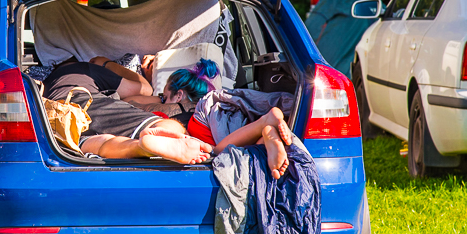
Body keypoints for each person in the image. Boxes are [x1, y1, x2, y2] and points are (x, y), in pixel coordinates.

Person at [43, 58, 292, 176]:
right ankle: (265, 131)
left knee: (96, 145)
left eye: (163, 94)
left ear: (178, 94)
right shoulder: (201, 108)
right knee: (220, 149)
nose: (159, 97)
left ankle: (141, 146)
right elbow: (141, 90)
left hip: (64, 126)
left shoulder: (64, 77)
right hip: (225, 124)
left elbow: (137, 98)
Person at [122, 58, 219, 125]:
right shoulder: (206, 113)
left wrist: (161, 99)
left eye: (164, 98)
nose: (162, 101)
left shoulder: (178, 109)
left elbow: (126, 104)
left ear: (179, 95)